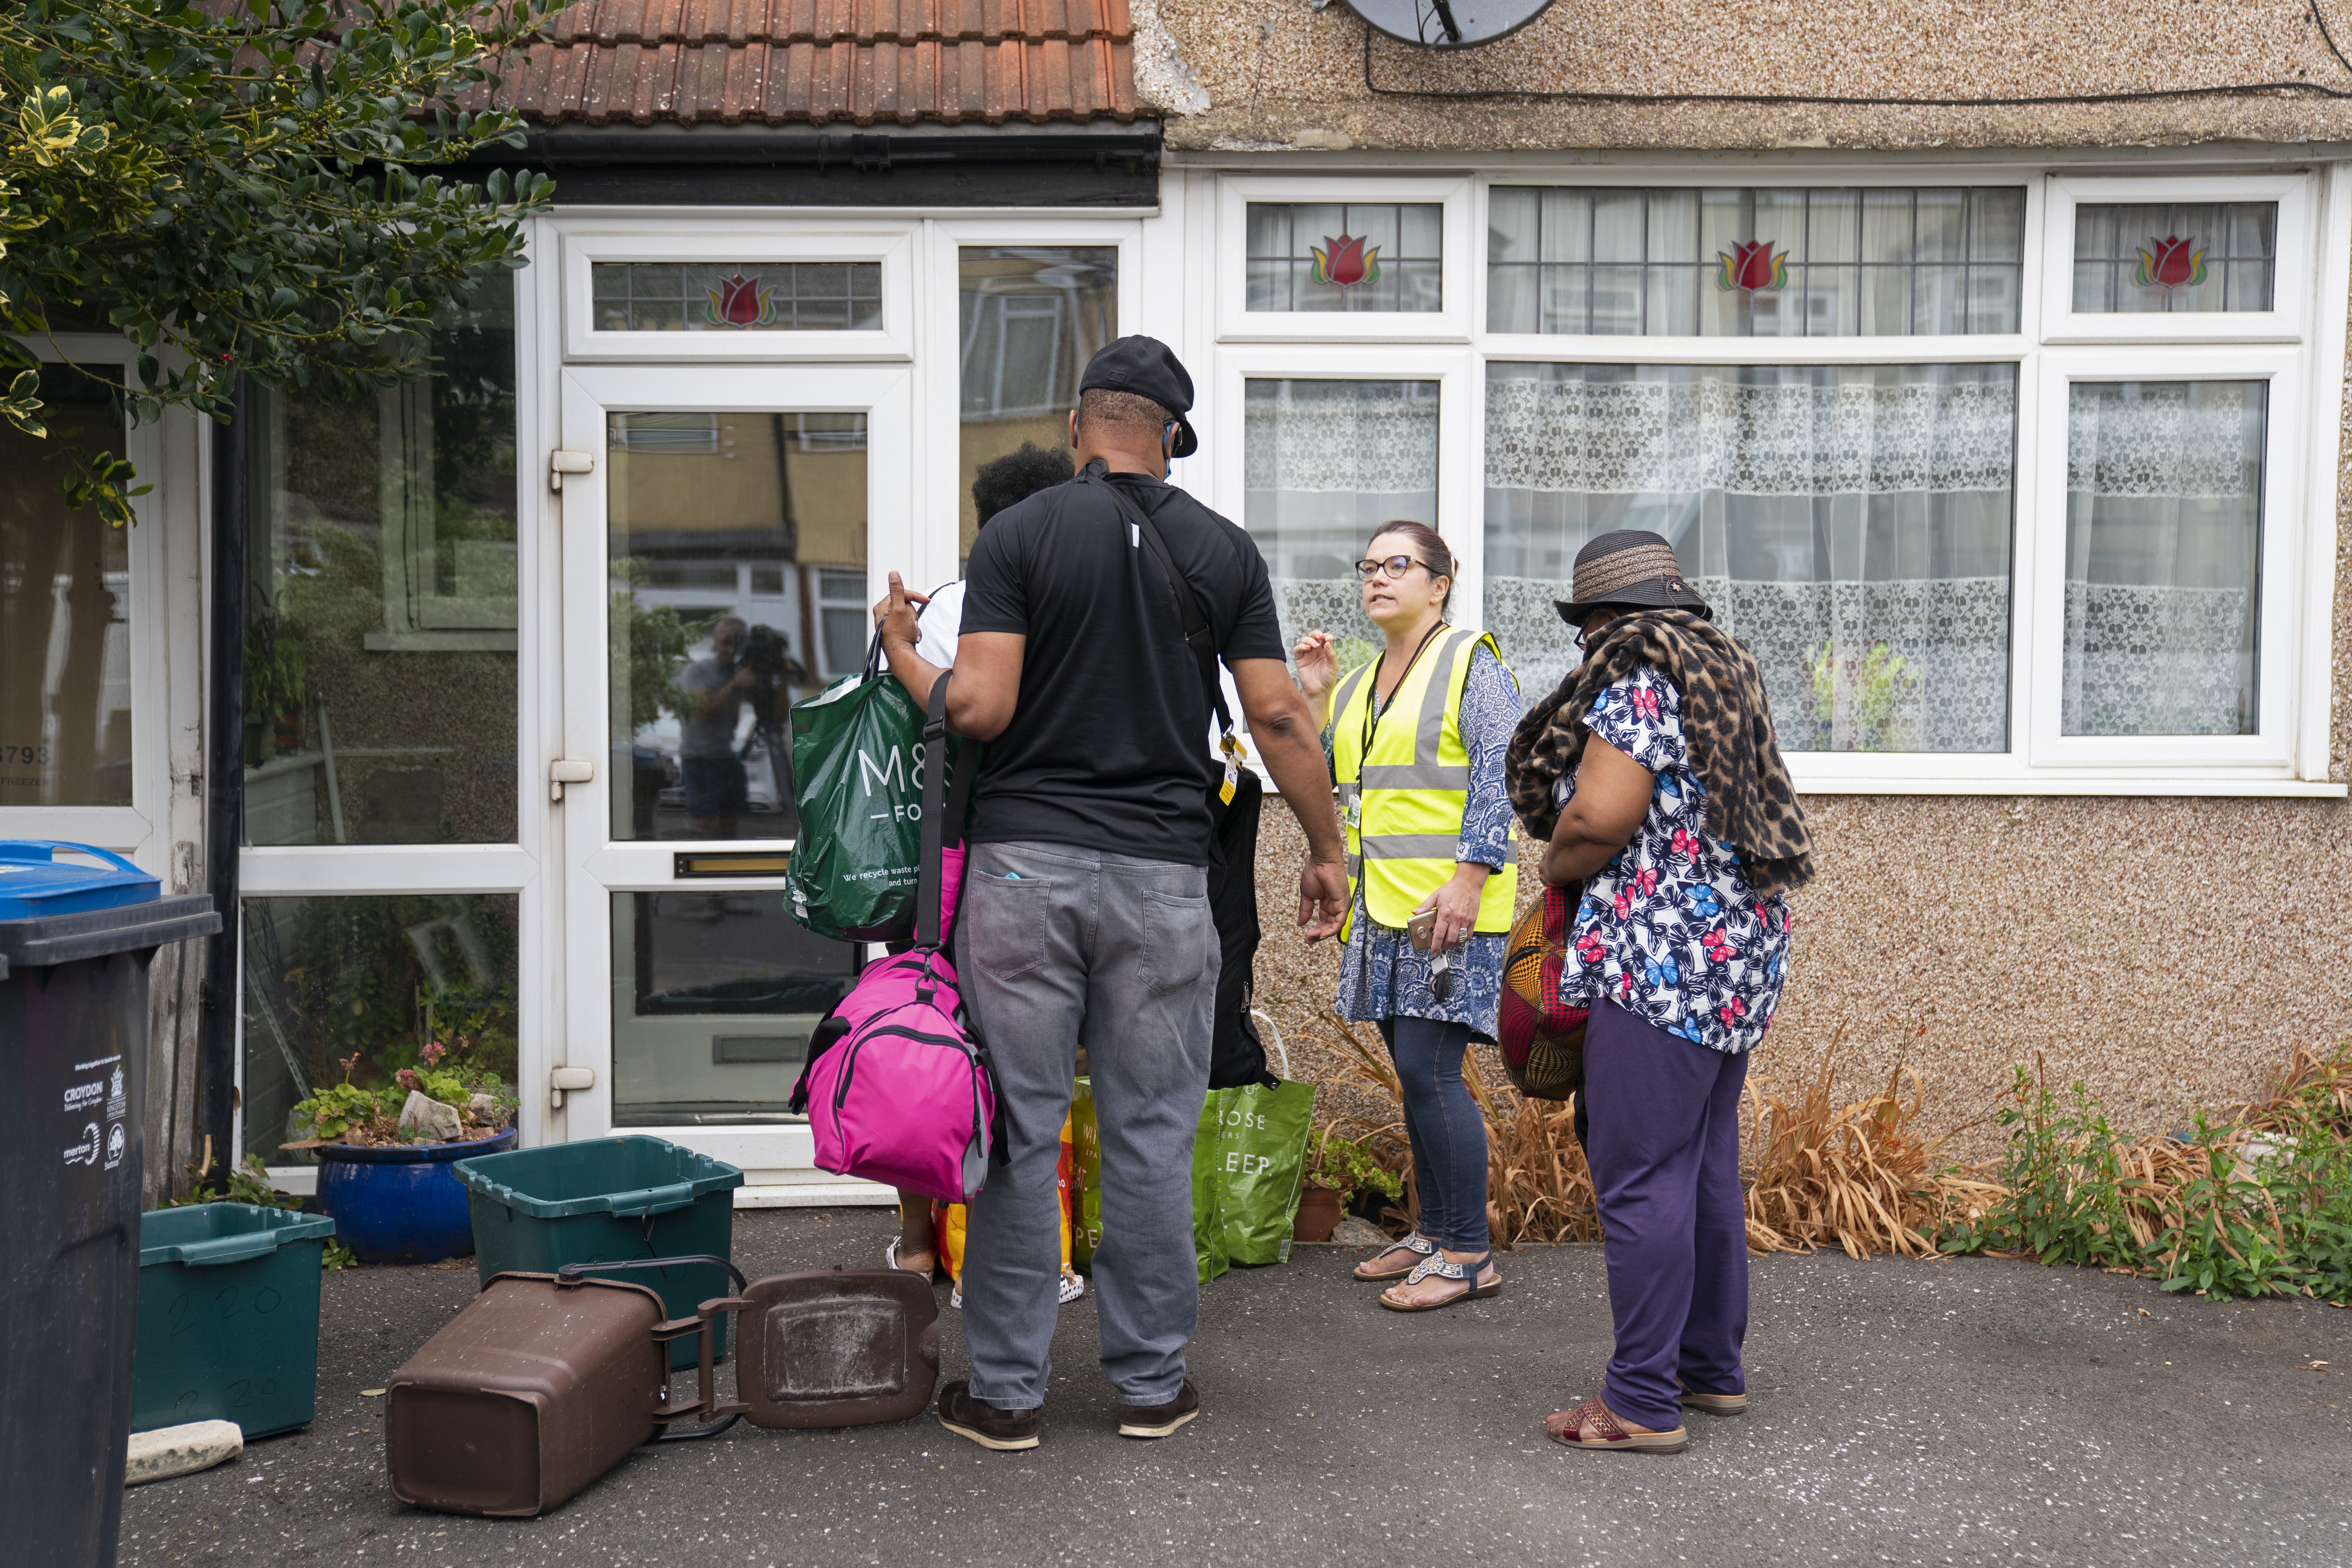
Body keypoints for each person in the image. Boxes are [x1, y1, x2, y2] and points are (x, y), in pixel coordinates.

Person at [873, 335, 1350, 1453]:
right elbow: (1279, 717)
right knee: (1147, 1132)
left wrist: (904, 653)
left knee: (1021, 1133)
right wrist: (1326, 846)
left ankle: (1006, 1397)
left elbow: (979, 709)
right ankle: (1148, 1388)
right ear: (1172, 440)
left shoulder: (1023, 534)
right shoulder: (1225, 552)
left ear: (1081, 424)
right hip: (1162, 879)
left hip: (1025, 873)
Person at [1504, 528, 1812, 1456]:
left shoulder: (1639, 681)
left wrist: (1554, 866)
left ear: (1603, 623)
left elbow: (1600, 814)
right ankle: (1707, 1367)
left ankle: (1640, 1399)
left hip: (1659, 963)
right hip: (1733, 958)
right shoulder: (1726, 678)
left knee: (1640, 1174)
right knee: (1701, 1163)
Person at [1292, 523, 1519, 1312]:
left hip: (1448, 910)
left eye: (1398, 565)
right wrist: (1318, 697)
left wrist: (1468, 878)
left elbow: (1502, 773)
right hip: (1386, 913)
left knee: (1430, 1071)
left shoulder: (1471, 662)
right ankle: (1435, 1232)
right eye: (1369, 567)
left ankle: (1467, 1254)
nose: (1377, 579)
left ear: (1440, 582)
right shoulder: (1358, 682)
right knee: (1415, 1076)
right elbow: (1336, 782)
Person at [875, 441, 1076, 1300]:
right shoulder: (1072, 602)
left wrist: (896, 643)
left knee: (926, 1047)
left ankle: (923, 1243)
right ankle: (1028, 1257)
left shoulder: (953, 604)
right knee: (1028, 1060)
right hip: (1022, 852)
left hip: (931, 857)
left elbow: (940, 715)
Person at [676, 616, 755, 837]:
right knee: (705, 823)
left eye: (735, 638)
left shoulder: (741, 672)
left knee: (731, 822)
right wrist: (733, 685)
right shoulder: (698, 671)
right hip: (700, 757)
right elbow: (703, 713)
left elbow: (776, 715)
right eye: (724, 637)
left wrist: (778, 679)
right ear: (716, 640)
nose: (728, 642)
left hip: (725, 756)